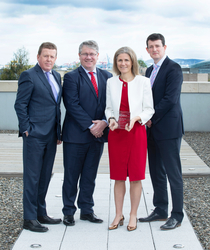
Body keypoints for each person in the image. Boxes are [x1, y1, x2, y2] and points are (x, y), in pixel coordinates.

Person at [62, 40, 112, 226]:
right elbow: (72, 105)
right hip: (76, 136)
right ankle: (68, 211)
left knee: (90, 175)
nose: (88, 57)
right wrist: (92, 127)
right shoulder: (71, 77)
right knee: (71, 176)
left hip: (98, 136)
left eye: (92, 54)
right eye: (85, 54)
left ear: (98, 56)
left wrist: (104, 123)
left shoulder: (107, 76)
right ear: (79, 56)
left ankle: (87, 210)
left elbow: (111, 104)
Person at [14, 42, 62, 232]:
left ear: (55, 58)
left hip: (51, 136)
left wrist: (58, 132)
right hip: (34, 135)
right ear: (38, 57)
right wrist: (26, 129)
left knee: (44, 176)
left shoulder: (57, 76)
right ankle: (29, 218)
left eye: (52, 56)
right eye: (45, 56)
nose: (49, 59)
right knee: (32, 177)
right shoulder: (29, 75)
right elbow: (20, 105)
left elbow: (55, 106)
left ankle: (41, 213)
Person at [105, 47, 154, 231]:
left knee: (135, 177)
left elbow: (149, 109)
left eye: (126, 60)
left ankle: (133, 214)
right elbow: (108, 108)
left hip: (136, 133)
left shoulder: (143, 82)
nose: (123, 63)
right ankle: (119, 214)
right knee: (118, 177)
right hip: (117, 133)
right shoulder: (111, 82)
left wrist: (136, 118)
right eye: (119, 60)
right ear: (116, 63)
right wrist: (111, 119)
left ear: (132, 61)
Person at [139, 33, 184, 230]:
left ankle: (177, 215)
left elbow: (170, 99)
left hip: (168, 129)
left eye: (158, 46)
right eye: (151, 46)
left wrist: (150, 118)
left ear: (164, 47)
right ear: (147, 50)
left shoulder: (174, 68)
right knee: (156, 171)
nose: (154, 49)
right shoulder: (149, 70)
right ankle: (160, 209)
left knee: (173, 173)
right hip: (152, 130)